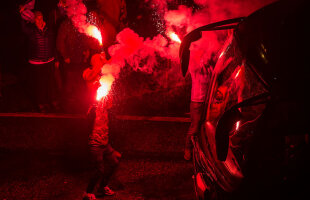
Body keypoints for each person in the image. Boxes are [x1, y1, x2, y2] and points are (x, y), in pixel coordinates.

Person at [83, 92, 121, 200]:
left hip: (104, 143)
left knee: (115, 160)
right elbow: (87, 121)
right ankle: (87, 193)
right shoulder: (93, 111)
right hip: (95, 144)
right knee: (99, 170)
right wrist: (93, 105)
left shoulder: (107, 111)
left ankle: (102, 186)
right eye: (106, 99)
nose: (109, 100)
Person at [19, 7, 58, 112]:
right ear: (33, 20)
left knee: (50, 83)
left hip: (49, 60)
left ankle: (53, 101)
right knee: (40, 84)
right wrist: (23, 15)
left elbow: (53, 44)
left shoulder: (49, 29)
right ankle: (41, 103)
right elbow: (23, 28)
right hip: (36, 62)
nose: (40, 20)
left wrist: (56, 58)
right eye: (37, 18)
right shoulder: (31, 31)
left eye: (41, 18)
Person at [184, 61, 213, 161]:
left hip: (207, 101)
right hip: (196, 101)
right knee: (195, 127)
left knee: (205, 126)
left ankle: (201, 152)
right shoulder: (194, 65)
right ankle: (187, 149)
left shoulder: (209, 67)